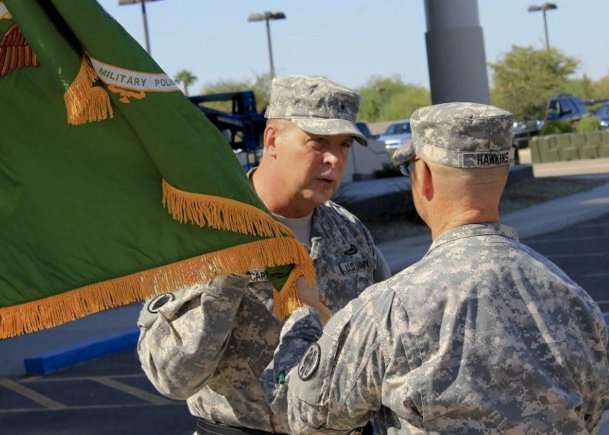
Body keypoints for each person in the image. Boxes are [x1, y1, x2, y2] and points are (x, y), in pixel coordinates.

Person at [264, 102, 609, 434]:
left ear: (424, 176)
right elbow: (591, 414)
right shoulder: (576, 303)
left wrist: (303, 316)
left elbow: (302, 413)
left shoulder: (391, 310)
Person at [136, 74, 391, 434]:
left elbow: (382, 348)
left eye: (344, 145)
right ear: (272, 139)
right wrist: (229, 271)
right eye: (317, 142)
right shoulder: (206, 232)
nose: (334, 159)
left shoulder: (349, 233)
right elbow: (172, 377)